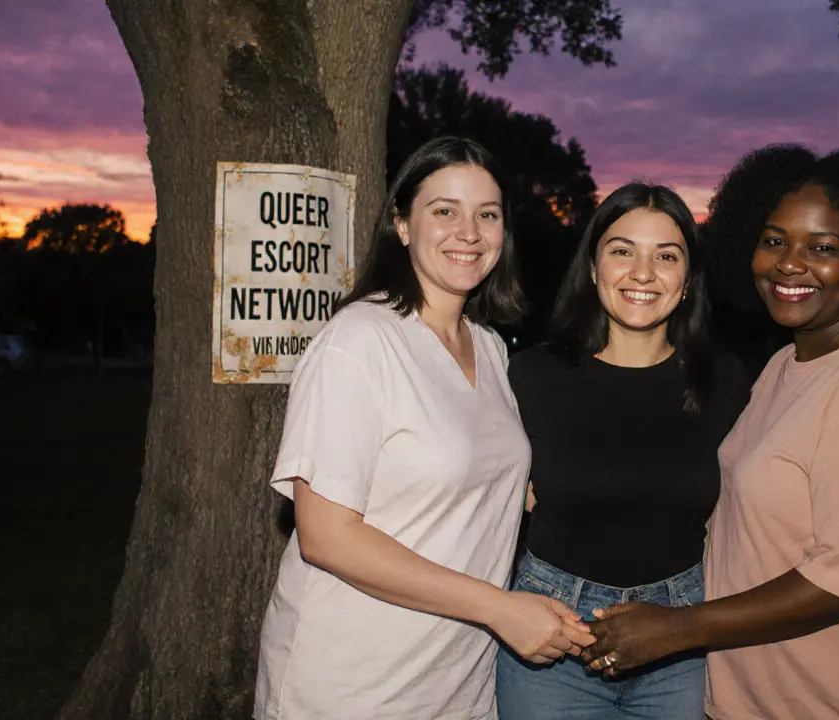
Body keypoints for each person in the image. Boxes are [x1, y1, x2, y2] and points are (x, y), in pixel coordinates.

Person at [582, 146, 839, 720]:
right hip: (769, 696)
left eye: (823, 248)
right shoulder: (790, 363)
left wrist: (678, 627)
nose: (790, 263)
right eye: (773, 240)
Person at [254, 136, 594, 720]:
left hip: (456, 680)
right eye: (445, 211)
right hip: (351, 684)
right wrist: (499, 607)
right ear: (403, 225)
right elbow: (326, 535)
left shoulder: (488, 348)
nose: (470, 232)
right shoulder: (359, 342)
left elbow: (494, 485)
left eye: (487, 215)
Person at [495, 183, 748, 719]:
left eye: (666, 256)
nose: (642, 273)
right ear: (592, 267)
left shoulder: (723, 381)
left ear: (687, 279)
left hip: (681, 635)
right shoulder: (531, 376)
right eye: (622, 250)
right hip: (552, 634)